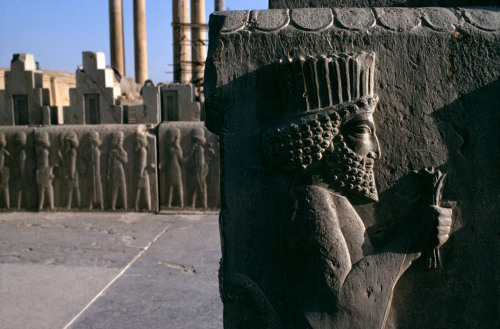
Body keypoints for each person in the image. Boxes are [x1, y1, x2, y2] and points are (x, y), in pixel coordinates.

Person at [261, 53, 453, 329]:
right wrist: (410, 241)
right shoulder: (310, 201)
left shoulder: (330, 201)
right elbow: (341, 318)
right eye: (363, 131)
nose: (376, 150)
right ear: (325, 143)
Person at [58, 131, 80, 210]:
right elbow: (66, 164)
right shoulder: (68, 151)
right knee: (74, 189)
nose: (65, 144)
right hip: (72, 172)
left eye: (66, 142)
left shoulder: (72, 151)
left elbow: (72, 164)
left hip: (73, 173)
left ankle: (70, 205)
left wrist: (70, 175)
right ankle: (77, 205)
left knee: (71, 189)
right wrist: (60, 155)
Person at [162, 127, 184, 208]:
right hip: (174, 169)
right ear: (174, 138)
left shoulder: (168, 149)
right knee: (176, 187)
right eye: (178, 139)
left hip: (171, 169)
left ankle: (170, 204)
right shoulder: (175, 150)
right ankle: (179, 204)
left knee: (171, 187)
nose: (179, 141)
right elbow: (182, 161)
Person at [108, 131, 128, 210]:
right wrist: (108, 174)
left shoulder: (123, 152)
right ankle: (113, 206)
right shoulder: (112, 152)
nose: (120, 143)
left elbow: (126, 161)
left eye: (121, 141)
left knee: (122, 188)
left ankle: (125, 206)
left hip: (120, 171)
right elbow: (109, 164)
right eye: (119, 140)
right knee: (114, 189)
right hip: (113, 171)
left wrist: (119, 156)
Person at [134, 132, 152, 211]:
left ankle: (147, 207)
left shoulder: (142, 151)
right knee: (139, 189)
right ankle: (136, 206)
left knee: (143, 190)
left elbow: (142, 163)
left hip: (142, 173)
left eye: (137, 142)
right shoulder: (141, 150)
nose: (136, 143)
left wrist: (140, 173)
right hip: (141, 172)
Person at [87, 131, 103, 210]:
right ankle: (91, 204)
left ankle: (100, 204)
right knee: (91, 189)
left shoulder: (96, 151)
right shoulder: (91, 151)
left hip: (96, 173)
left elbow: (96, 164)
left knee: (98, 190)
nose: (89, 143)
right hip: (92, 172)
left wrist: (96, 173)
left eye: (90, 142)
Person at [0, 132, 11, 209]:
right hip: (4, 171)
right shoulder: (4, 151)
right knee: (5, 188)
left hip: (3, 171)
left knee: (4, 188)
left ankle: (7, 205)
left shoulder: (3, 152)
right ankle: (7, 205)